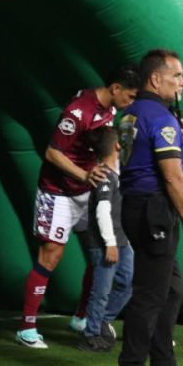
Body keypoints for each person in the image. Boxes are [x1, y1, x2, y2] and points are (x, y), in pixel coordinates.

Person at [18, 64, 140, 349]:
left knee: (98, 253)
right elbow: (52, 152)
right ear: (116, 88)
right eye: (130, 96)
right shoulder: (78, 111)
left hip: (87, 190)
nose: (131, 102)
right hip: (58, 191)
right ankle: (27, 327)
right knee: (52, 255)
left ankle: (82, 317)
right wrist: (84, 174)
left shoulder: (110, 110)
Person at [115, 50, 183, 366]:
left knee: (171, 287)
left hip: (133, 204)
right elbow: (172, 177)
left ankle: (164, 364)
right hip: (154, 209)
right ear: (155, 79)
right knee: (151, 293)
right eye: (177, 76)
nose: (182, 83)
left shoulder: (128, 114)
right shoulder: (162, 119)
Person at [74, 126, 134, 353]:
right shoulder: (105, 177)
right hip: (104, 243)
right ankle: (90, 335)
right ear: (117, 146)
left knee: (127, 283)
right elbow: (102, 211)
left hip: (121, 240)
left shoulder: (113, 173)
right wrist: (109, 242)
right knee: (101, 290)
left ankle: (103, 321)